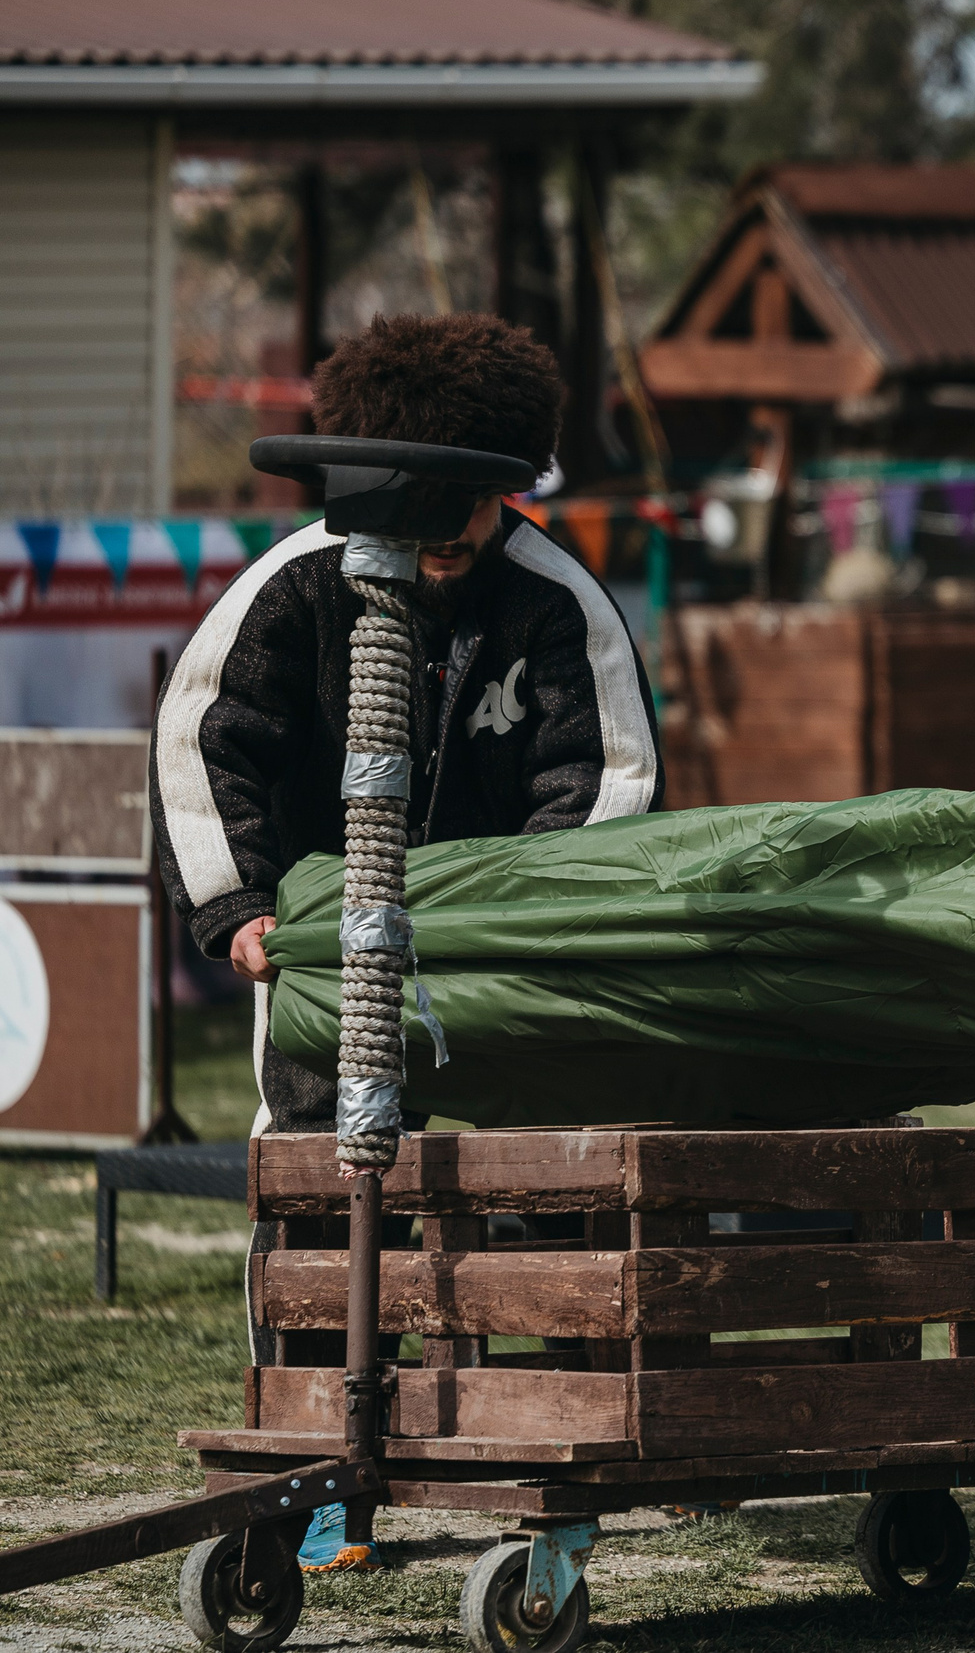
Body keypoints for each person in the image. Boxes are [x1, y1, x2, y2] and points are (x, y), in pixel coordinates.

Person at [149, 312, 664, 1567]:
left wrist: (530, 930)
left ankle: (550, 1446)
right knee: (315, 1200)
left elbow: (606, 782)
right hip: (327, 966)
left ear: (503, 493)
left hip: (509, 968)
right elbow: (205, 742)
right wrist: (241, 908)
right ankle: (318, 1468)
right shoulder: (293, 587)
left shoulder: (555, 603)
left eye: (468, 518)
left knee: (544, 1198)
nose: (445, 545)